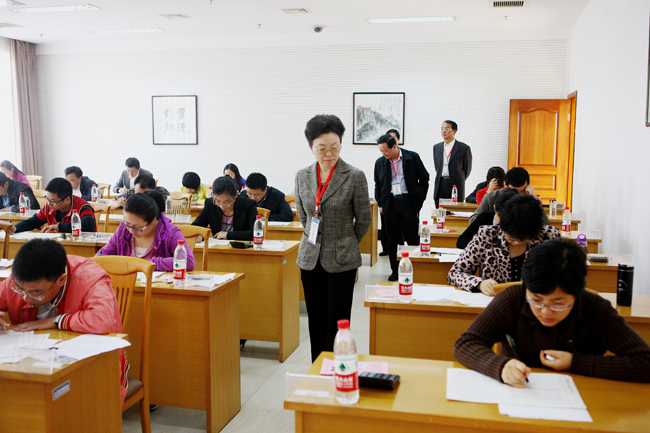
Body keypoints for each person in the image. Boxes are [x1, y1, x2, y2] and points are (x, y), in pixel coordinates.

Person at [454, 239, 650, 385]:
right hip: (519, 395)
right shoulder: (513, 298)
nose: (545, 312)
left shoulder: (595, 309)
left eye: (558, 303)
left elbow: (645, 362)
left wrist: (575, 362)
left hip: (584, 401)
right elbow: (466, 343)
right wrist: (500, 366)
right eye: (536, 300)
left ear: (576, 295)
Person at [0, 239, 129, 402]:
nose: (26, 297)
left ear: (61, 280)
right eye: (20, 289)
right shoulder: (20, 279)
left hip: (92, 365)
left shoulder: (90, 277)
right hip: (34, 364)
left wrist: (57, 320)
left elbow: (103, 319)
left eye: (36, 292)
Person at [295, 114, 372, 362]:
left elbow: (364, 219)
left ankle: (338, 368)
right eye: (322, 149)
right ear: (311, 148)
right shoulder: (302, 176)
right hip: (310, 260)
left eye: (335, 147)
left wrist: (346, 242)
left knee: (338, 323)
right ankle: (317, 369)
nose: (329, 154)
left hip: (342, 261)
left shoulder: (354, 176)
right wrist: (315, 240)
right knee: (315, 322)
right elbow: (303, 215)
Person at [448, 194, 559, 295]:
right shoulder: (488, 235)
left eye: (524, 240)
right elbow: (455, 273)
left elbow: (566, 277)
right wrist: (480, 284)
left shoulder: (549, 237)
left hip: (537, 305)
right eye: (511, 237)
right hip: (495, 305)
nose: (516, 242)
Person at [374, 134, 429, 281]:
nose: (383, 154)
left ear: (394, 146)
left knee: (411, 237)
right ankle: (396, 271)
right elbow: (378, 186)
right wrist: (381, 204)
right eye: (380, 151)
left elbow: (424, 178)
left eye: (385, 150)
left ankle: (415, 269)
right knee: (392, 240)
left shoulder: (412, 157)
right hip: (390, 204)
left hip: (408, 202)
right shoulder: (380, 163)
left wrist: (419, 199)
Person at [97, 191, 195, 272]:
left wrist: (149, 264)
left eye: (137, 227)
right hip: (125, 285)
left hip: (157, 290)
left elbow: (188, 261)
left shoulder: (170, 232)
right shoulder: (123, 229)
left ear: (152, 221)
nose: (131, 230)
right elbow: (104, 252)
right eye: (127, 223)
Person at [11, 178, 96, 234]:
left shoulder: (83, 207)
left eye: (53, 201)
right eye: (47, 199)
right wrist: (16, 228)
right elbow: (34, 221)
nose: (49, 203)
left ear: (67, 200)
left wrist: (59, 227)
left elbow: (88, 226)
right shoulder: (49, 207)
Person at [469, 167, 546, 224]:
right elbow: (472, 221)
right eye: (514, 191)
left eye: (522, 191)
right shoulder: (491, 197)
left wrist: (534, 199)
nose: (517, 195)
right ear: (505, 184)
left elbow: (545, 224)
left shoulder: (529, 198)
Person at [192, 176, 258, 240]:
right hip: (217, 248)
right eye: (217, 201)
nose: (222, 206)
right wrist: (200, 236)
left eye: (227, 202)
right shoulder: (210, 204)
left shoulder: (248, 205)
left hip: (241, 248)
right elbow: (194, 227)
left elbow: (255, 233)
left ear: (236, 195)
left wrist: (227, 235)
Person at [432, 120, 472, 206]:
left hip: (455, 185)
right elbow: (437, 166)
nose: (443, 131)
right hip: (441, 183)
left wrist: (458, 178)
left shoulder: (463, 148)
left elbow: (467, 169)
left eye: (447, 128)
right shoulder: (436, 147)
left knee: (455, 211)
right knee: (440, 211)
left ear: (454, 131)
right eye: (442, 128)